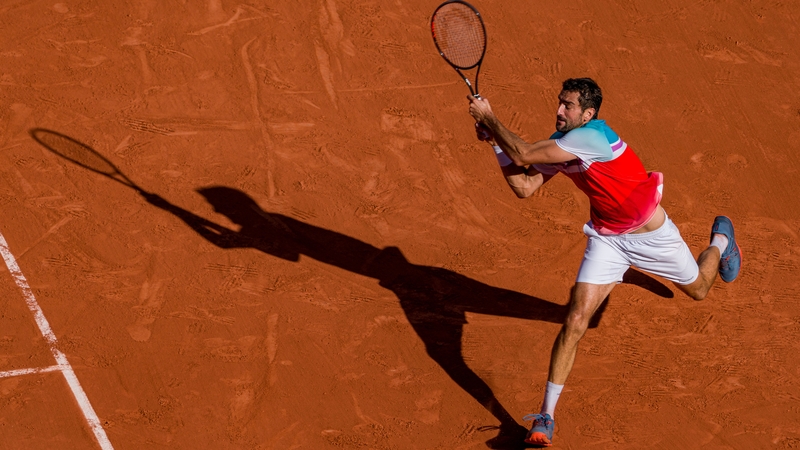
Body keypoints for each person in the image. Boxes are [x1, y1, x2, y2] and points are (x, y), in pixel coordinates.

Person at [467, 78, 741, 447]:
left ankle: (721, 242)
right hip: (608, 239)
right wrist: (495, 143)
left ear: (588, 114)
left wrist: (490, 117)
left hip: (651, 236)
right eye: (559, 102)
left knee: (699, 289)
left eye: (567, 106)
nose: (559, 110)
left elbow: (525, 153)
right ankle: (546, 416)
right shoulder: (565, 142)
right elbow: (525, 187)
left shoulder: (591, 138)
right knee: (577, 318)